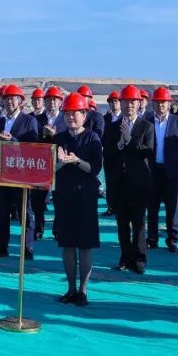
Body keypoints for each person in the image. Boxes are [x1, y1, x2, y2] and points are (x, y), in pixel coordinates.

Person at [52, 93, 103, 306]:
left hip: (85, 197)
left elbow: (95, 168)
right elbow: (51, 169)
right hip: (64, 196)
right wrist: (62, 163)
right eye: (67, 114)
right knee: (67, 245)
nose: (71, 118)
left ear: (84, 115)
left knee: (85, 245)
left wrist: (77, 161)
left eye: (75, 114)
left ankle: (83, 290)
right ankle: (71, 288)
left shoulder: (92, 138)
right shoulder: (58, 139)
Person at [0, 84, 39, 259]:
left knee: (25, 211)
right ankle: (2, 247)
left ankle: (27, 247)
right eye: (7, 99)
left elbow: (32, 146)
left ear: (20, 101)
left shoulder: (29, 121)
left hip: (21, 173)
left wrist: (12, 140)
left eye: (13, 99)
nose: (10, 102)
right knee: (2, 211)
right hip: (3, 171)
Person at [108, 85, 155, 274]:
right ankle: (125, 257)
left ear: (139, 103)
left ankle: (139, 258)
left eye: (133, 102)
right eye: (125, 102)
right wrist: (120, 144)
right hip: (119, 181)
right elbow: (107, 152)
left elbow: (148, 150)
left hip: (138, 182)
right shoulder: (113, 126)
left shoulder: (147, 126)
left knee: (138, 222)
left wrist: (129, 141)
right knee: (122, 223)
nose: (129, 106)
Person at [147, 87, 178, 253]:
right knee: (152, 206)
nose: (160, 105)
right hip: (152, 170)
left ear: (169, 104)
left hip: (172, 171)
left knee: (173, 207)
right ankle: (152, 238)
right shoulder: (147, 121)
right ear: (153, 104)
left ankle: (172, 239)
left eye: (163, 102)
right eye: (157, 102)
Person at [34, 86, 65, 239]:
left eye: (55, 100)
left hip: (60, 165)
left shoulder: (66, 118)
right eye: (49, 100)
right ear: (44, 102)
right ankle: (38, 228)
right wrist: (43, 135)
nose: (52, 103)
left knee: (59, 200)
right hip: (41, 164)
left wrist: (55, 135)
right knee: (38, 200)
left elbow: (68, 140)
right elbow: (32, 140)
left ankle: (58, 230)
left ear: (60, 102)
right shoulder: (36, 119)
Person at [101, 90, 121, 216]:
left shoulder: (125, 117)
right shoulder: (105, 119)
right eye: (112, 102)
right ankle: (111, 206)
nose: (114, 104)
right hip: (108, 155)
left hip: (122, 155)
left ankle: (121, 206)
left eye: (116, 101)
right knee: (109, 182)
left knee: (121, 182)